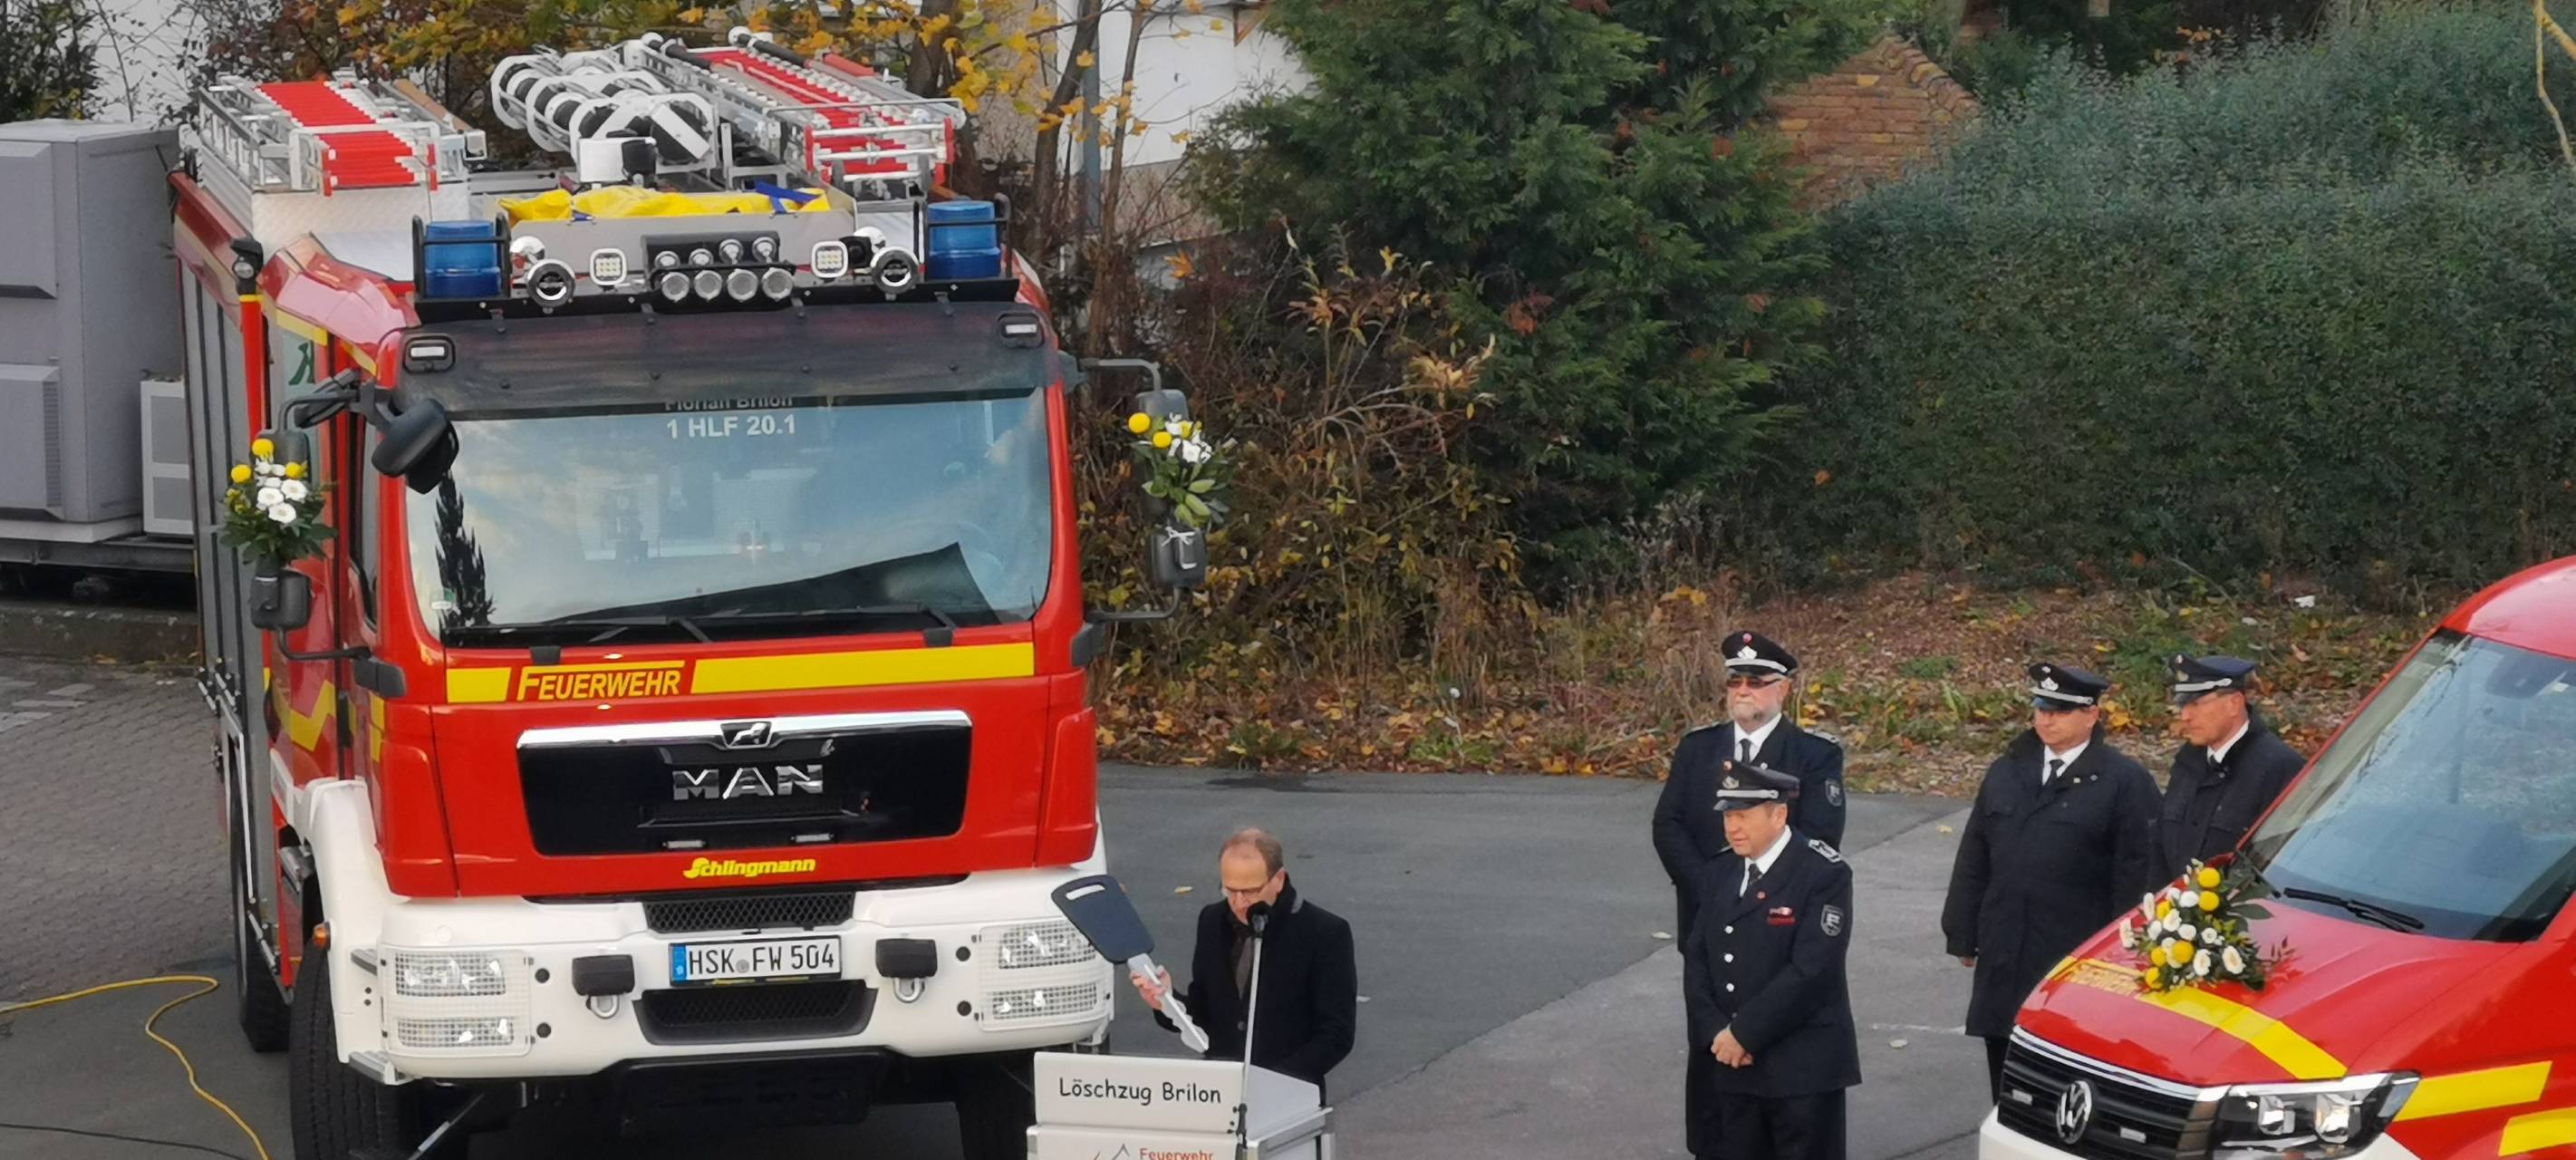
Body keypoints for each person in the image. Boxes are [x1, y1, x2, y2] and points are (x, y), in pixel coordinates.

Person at [1654, 629, 1846, 1156]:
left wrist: (1745, 893)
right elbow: (1668, 824)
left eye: (1756, 682)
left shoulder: (1812, 755)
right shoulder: (1698, 749)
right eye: (1735, 680)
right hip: (1708, 927)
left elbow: (1820, 839)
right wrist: (1715, 891)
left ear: (1782, 689)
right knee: (1713, 1068)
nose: (1743, 691)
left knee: (1778, 1062)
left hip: (1779, 931)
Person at [1940, 662, 2160, 1101]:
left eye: (2060, 710)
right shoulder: (2008, 770)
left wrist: (2124, 954)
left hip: (2071, 955)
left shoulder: (2124, 783)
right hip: (2005, 946)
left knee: (2064, 1073)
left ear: (2092, 716)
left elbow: (2136, 876)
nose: (2046, 718)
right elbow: (1975, 853)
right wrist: (1963, 931)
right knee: (2004, 1068)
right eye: (2041, 707)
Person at [1683, 762, 1860, 1160]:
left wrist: (1744, 1034)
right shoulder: (1721, 870)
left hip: (1801, 1069)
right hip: (1731, 1062)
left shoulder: (1822, 873)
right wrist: (1716, 1033)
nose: (1732, 828)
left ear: (1778, 815)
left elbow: (1811, 971)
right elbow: (1697, 957)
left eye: (1743, 816)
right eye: (1728, 816)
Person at [1132, 828, 1358, 1097]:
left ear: (1278, 880)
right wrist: (1167, 1002)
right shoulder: (1212, 921)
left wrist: (1275, 1083)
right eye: (1230, 890)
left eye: (1250, 891)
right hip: (1220, 1093)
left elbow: (1336, 1034)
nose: (1239, 903)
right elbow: (1205, 1016)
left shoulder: (1324, 932)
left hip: (1289, 1095)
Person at [2158, 654, 2306, 879]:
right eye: (2182, 705)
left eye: (2196, 704)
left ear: (2233, 704)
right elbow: (2161, 849)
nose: (2185, 716)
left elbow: (2281, 865)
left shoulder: (2279, 768)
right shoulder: (2188, 762)